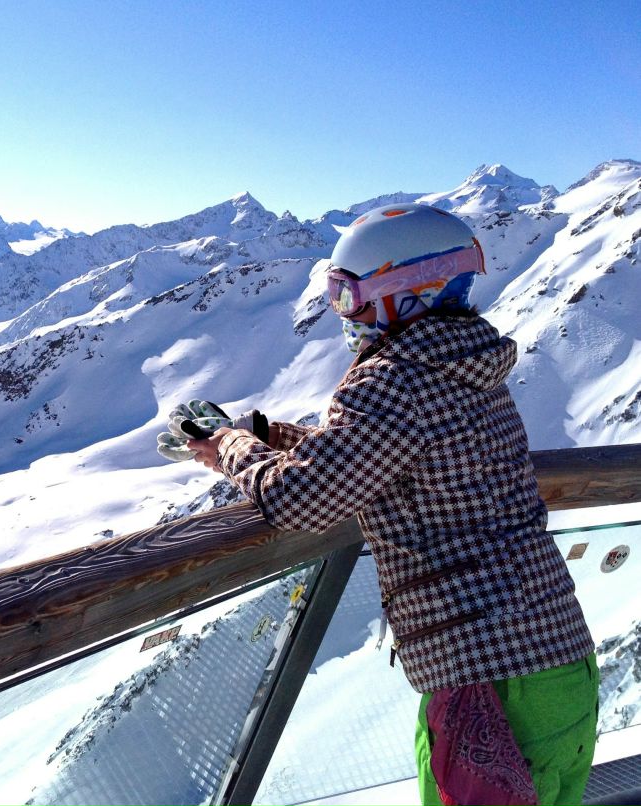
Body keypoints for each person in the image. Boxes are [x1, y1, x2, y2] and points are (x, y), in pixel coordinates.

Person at [182, 203, 598, 806]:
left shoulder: (395, 378)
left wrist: (228, 447)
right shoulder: (467, 363)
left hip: (491, 686)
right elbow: (391, 457)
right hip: (560, 666)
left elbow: (300, 498)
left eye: (345, 294)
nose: (341, 313)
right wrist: (274, 433)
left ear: (403, 291)